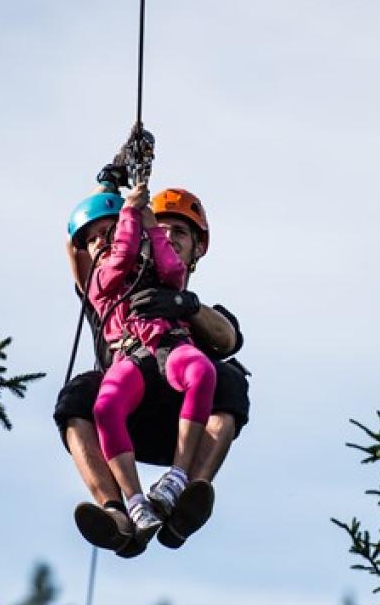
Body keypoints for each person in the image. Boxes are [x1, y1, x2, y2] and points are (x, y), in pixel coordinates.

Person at [56, 186, 250, 557]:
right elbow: (81, 248)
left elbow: (226, 338)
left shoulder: (200, 313)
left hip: (185, 426)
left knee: (228, 379)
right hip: (127, 417)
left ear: (198, 247)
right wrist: (112, 188)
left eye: (181, 232)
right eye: (164, 230)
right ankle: (117, 513)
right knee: (78, 396)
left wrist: (185, 306)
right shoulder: (111, 298)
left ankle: (186, 495)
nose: (171, 238)